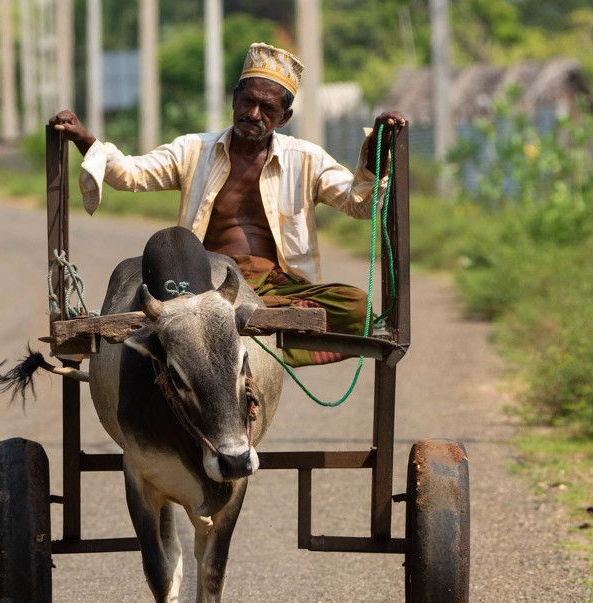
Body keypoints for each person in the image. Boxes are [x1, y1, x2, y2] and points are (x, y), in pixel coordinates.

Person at [50, 42, 405, 366]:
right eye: (247, 101)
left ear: (284, 117)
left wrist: (379, 152)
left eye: (267, 108)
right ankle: (243, 328)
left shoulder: (306, 159)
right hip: (204, 284)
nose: (253, 113)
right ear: (234, 98)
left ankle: (266, 338)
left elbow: (358, 203)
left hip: (277, 289)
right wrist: (87, 140)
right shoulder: (193, 150)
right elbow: (129, 173)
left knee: (356, 308)